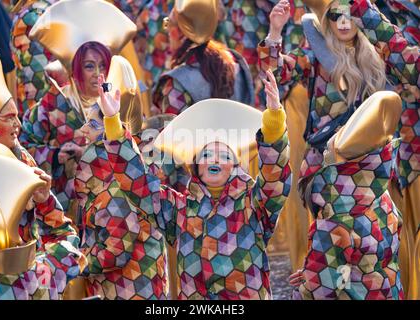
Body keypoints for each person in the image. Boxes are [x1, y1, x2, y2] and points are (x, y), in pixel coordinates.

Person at [260, 0, 419, 292]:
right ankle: (334, 287)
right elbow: (276, 74)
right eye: (336, 15)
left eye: (350, 15)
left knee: (373, 251)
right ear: (327, 20)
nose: (344, 22)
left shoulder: (380, 53)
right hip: (331, 173)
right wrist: (274, 31)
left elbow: (412, 73)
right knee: (334, 254)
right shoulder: (316, 54)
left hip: (374, 170)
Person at [95, 67, 291, 299]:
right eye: (207, 155)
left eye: (225, 156)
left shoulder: (254, 204)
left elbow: (274, 177)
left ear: (235, 166)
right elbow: (138, 184)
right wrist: (112, 122)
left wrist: (275, 122)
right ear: (196, 166)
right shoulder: (179, 209)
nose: (215, 159)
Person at [0, 48, 86, 300]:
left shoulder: (21, 157)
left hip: (29, 279)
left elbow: (62, 234)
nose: (18, 125)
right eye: (9, 118)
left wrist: (44, 201)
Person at [19, 0, 138, 224]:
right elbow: (22, 147)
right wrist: (56, 154)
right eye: (89, 66)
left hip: (114, 215)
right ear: (76, 70)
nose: (97, 74)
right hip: (63, 212)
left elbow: (137, 154)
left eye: (103, 66)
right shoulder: (52, 104)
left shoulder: (118, 103)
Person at [290, 91, 404, 300]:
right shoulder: (381, 196)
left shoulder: (335, 220)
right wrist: (316, 271)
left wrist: (308, 284)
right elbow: (359, 265)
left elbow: (321, 293)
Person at [73, 56, 169, 300]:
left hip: (127, 289)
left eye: (92, 123)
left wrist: (75, 264)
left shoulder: (115, 175)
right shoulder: (120, 165)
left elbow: (117, 248)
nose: (83, 130)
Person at [151, 0, 255, 115]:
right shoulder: (235, 64)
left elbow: (172, 130)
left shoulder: (176, 84)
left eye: (168, 23)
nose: (167, 30)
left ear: (182, 33)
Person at [11, 0, 59, 118]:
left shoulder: (36, 10)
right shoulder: (38, 13)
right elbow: (39, 71)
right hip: (38, 98)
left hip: (33, 94)